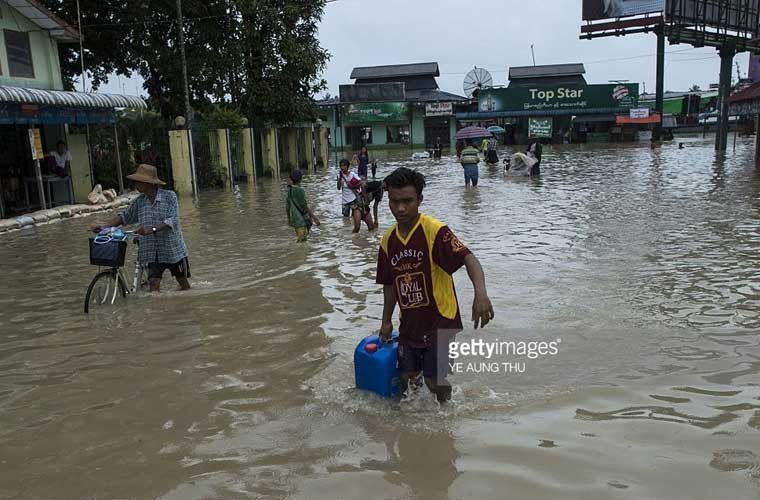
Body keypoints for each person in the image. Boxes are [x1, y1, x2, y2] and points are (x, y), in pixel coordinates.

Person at [377, 167, 494, 403]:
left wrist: (480, 294)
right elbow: (389, 285)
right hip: (410, 323)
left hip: (441, 322)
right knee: (407, 376)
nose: (400, 208)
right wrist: (386, 320)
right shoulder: (388, 240)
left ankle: (447, 415)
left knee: (434, 381)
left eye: (407, 201)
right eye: (394, 201)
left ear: (419, 199)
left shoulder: (435, 231)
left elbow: (468, 258)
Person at [91, 164, 190, 292]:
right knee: (153, 284)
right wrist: (105, 226)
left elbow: (172, 221)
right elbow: (125, 216)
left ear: (149, 184)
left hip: (172, 250)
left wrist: (151, 229)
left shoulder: (170, 196)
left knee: (183, 284)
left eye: (139, 182)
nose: (135, 184)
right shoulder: (139, 202)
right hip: (151, 252)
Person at [337, 159, 374, 233]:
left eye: (344, 165)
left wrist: (352, 186)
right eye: (341, 165)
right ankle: (348, 231)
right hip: (345, 201)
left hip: (354, 199)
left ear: (347, 166)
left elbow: (362, 182)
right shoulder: (339, 176)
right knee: (346, 219)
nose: (342, 167)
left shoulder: (352, 174)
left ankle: (354, 231)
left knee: (355, 218)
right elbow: (338, 188)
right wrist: (339, 179)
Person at [286, 169, 320, 242]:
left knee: (300, 242)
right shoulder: (300, 190)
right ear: (300, 179)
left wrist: (289, 219)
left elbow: (287, 207)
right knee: (302, 244)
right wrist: (314, 218)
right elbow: (305, 206)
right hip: (301, 221)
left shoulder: (290, 190)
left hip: (295, 221)